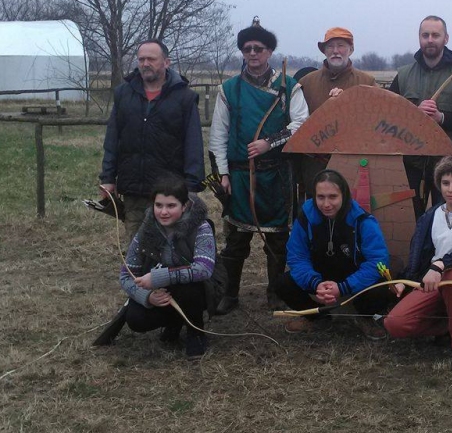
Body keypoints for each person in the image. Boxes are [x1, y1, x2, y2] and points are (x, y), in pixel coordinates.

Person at [208, 19, 309, 314]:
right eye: (247, 48)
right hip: (240, 177)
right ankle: (230, 294)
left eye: (259, 48)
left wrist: (270, 142)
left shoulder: (289, 86)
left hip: (276, 175)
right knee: (236, 240)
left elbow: (301, 124)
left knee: (278, 241)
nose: (253, 54)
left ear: (269, 51)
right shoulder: (230, 89)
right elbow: (218, 134)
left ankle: (276, 293)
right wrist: (222, 175)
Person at [385, 155, 452, 374]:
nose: (450, 189)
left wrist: (441, 265)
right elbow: (417, 255)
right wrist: (406, 280)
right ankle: (449, 326)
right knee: (395, 323)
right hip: (432, 281)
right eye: (445, 183)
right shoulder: (429, 217)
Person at [99, 39, 205, 239]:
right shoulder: (123, 94)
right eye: (141, 59)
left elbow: (194, 144)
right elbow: (112, 139)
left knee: (169, 248)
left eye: (151, 59)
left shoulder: (184, 97)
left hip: (169, 191)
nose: (145, 63)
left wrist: (191, 187)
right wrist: (108, 178)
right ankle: (135, 273)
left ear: (166, 62)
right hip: (133, 188)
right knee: (135, 247)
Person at [277, 169, 391, 340]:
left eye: (332, 197)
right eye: (321, 197)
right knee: (283, 283)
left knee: (384, 287)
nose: (326, 204)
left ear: (343, 195)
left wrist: (343, 287)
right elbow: (297, 256)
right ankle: (318, 318)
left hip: (353, 280)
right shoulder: (306, 217)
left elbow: (377, 260)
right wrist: (315, 283)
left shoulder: (362, 221)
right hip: (320, 278)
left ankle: (362, 317)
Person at [389, 15, 452, 218]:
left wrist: (442, 118)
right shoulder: (403, 75)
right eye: (425, 35)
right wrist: (414, 114)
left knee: (447, 218)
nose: (430, 39)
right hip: (410, 164)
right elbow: (388, 117)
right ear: (419, 38)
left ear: (446, 38)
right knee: (410, 218)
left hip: (449, 163)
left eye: (435, 35)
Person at [119, 175, 216, 360]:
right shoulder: (146, 229)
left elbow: (204, 269)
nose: (163, 212)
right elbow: (125, 276)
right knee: (135, 319)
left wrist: (157, 277)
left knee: (190, 290)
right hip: (161, 291)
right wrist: (147, 297)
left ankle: (196, 331)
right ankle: (175, 321)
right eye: (158, 205)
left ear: (184, 206)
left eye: (171, 206)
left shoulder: (201, 227)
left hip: (197, 287)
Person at [297, 27, 376, 196]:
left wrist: (348, 103)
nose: (335, 51)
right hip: (314, 165)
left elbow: (375, 122)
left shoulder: (367, 82)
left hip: (352, 162)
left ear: (351, 50)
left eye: (341, 45)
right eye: (330, 47)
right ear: (324, 51)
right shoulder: (306, 83)